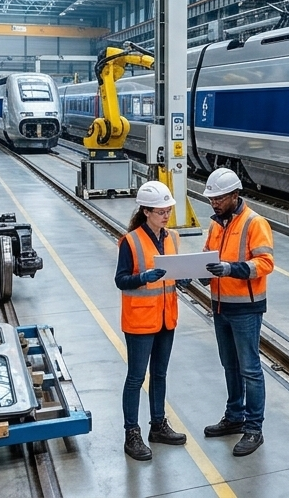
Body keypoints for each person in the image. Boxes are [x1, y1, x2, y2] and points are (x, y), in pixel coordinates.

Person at [201, 167, 275, 457]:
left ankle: (254, 428)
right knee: (229, 365)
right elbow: (208, 256)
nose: (214, 203)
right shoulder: (216, 225)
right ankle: (234, 416)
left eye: (219, 198)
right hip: (220, 305)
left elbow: (265, 263)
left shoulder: (255, 223)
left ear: (234, 195)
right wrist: (197, 272)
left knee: (250, 369)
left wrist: (231, 269)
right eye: (211, 199)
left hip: (246, 308)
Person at [114, 181, 188, 461]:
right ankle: (131, 434)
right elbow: (121, 280)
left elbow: (172, 274)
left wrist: (183, 277)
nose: (166, 216)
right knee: (136, 378)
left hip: (166, 318)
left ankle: (158, 425)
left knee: (159, 374)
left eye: (168, 211)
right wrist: (142, 278)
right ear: (146, 211)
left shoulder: (173, 238)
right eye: (160, 212)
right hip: (140, 321)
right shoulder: (131, 241)